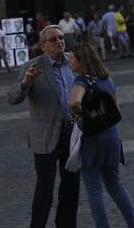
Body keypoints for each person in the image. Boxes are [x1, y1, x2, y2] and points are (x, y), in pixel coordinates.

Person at [8, 25, 80, 228]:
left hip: (71, 133)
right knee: (45, 189)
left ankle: (66, 225)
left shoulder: (72, 61)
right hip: (45, 136)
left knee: (71, 185)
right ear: (43, 45)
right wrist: (25, 82)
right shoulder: (34, 66)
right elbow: (12, 97)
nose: (59, 41)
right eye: (53, 39)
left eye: (61, 37)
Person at [67, 44, 134, 228]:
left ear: (81, 60)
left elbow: (75, 102)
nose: (70, 61)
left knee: (94, 188)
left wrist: (79, 112)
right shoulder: (107, 79)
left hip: (92, 139)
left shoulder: (81, 82)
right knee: (116, 185)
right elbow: (116, 108)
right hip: (112, 137)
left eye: (73, 58)